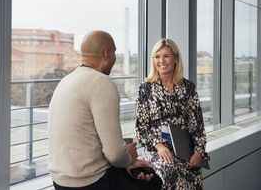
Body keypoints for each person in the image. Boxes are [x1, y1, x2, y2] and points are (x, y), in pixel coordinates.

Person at [48, 30, 162, 190]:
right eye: (114, 52)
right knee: (154, 181)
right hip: (90, 182)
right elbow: (115, 154)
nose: (115, 58)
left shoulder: (67, 80)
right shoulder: (101, 83)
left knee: (133, 173)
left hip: (60, 181)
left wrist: (126, 162)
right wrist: (128, 157)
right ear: (106, 53)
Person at [135, 38, 209, 189]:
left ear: (176, 58)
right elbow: (141, 128)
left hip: (184, 150)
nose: (161, 60)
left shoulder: (188, 87)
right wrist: (159, 146)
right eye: (157, 56)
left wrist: (198, 152)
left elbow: (197, 125)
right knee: (169, 172)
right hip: (157, 150)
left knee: (193, 174)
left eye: (166, 56)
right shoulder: (145, 89)